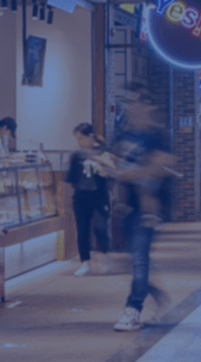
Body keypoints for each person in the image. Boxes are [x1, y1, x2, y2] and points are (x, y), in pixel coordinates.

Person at [100, 91, 172, 331]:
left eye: (137, 103)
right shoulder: (123, 135)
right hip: (127, 208)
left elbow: (159, 168)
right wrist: (105, 165)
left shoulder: (158, 137)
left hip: (148, 209)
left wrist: (124, 173)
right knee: (132, 264)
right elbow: (110, 158)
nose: (132, 108)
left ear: (149, 107)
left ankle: (132, 310)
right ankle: (160, 299)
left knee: (139, 261)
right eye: (130, 103)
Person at [66, 122, 110, 275]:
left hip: (99, 196)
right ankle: (85, 262)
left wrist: (100, 164)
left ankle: (104, 255)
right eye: (77, 139)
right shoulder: (76, 155)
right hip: (81, 196)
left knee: (101, 227)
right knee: (82, 231)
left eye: (81, 138)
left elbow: (107, 173)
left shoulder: (103, 152)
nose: (80, 141)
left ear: (91, 136)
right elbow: (71, 178)